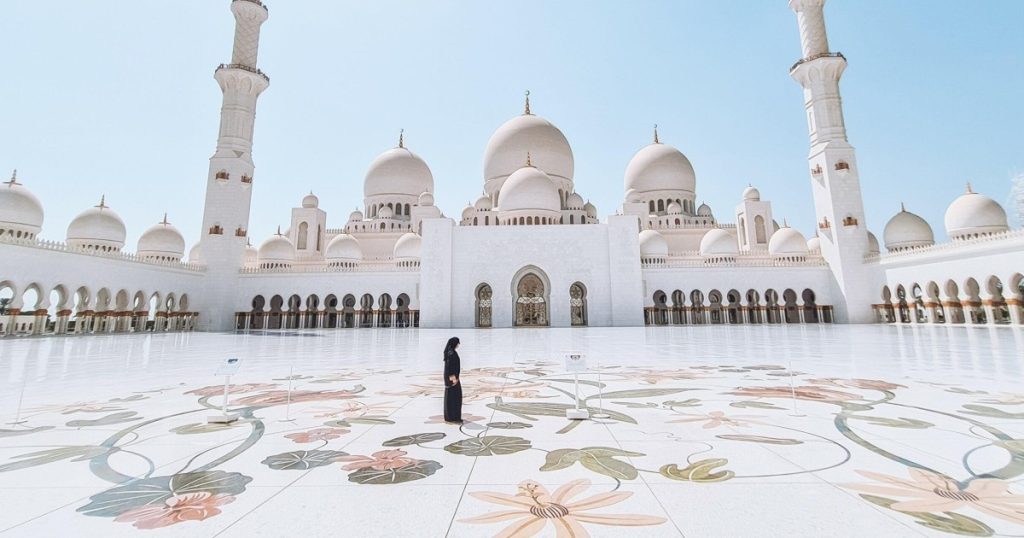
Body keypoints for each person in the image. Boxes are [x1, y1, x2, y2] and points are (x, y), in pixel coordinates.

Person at [442, 337, 463, 424]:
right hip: (453, 381)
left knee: (452, 398)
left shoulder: (450, 353)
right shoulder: (451, 354)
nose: (458, 345)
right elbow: (450, 369)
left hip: (451, 380)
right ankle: (453, 417)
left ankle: (451, 416)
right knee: (455, 398)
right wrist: (453, 381)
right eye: (458, 343)